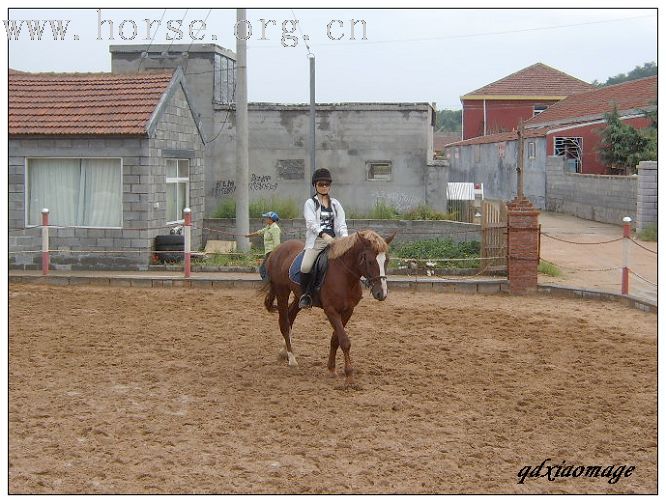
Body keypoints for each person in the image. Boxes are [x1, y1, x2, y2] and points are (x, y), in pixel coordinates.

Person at [298, 168, 348, 309]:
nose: (324, 187)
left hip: (334, 241)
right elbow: (311, 223)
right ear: (315, 185)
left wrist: (344, 239)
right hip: (317, 241)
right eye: (321, 184)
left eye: (327, 184)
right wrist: (323, 235)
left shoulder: (335, 204)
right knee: (306, 266)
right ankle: (306, 295)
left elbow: (341, 224)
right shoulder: (310, 203)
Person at [245, 211, 281, 280]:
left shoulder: (275, 229)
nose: (265, 219)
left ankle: (268, 285)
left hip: (272, 252)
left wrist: (274, 255)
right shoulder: (268, 227)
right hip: (268, 253)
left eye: (267, 218)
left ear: (271, 219)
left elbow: (277, 243)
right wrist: (248, 235)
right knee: (266, 270)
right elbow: (259, 232)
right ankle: (270, 284)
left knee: (263, 270)